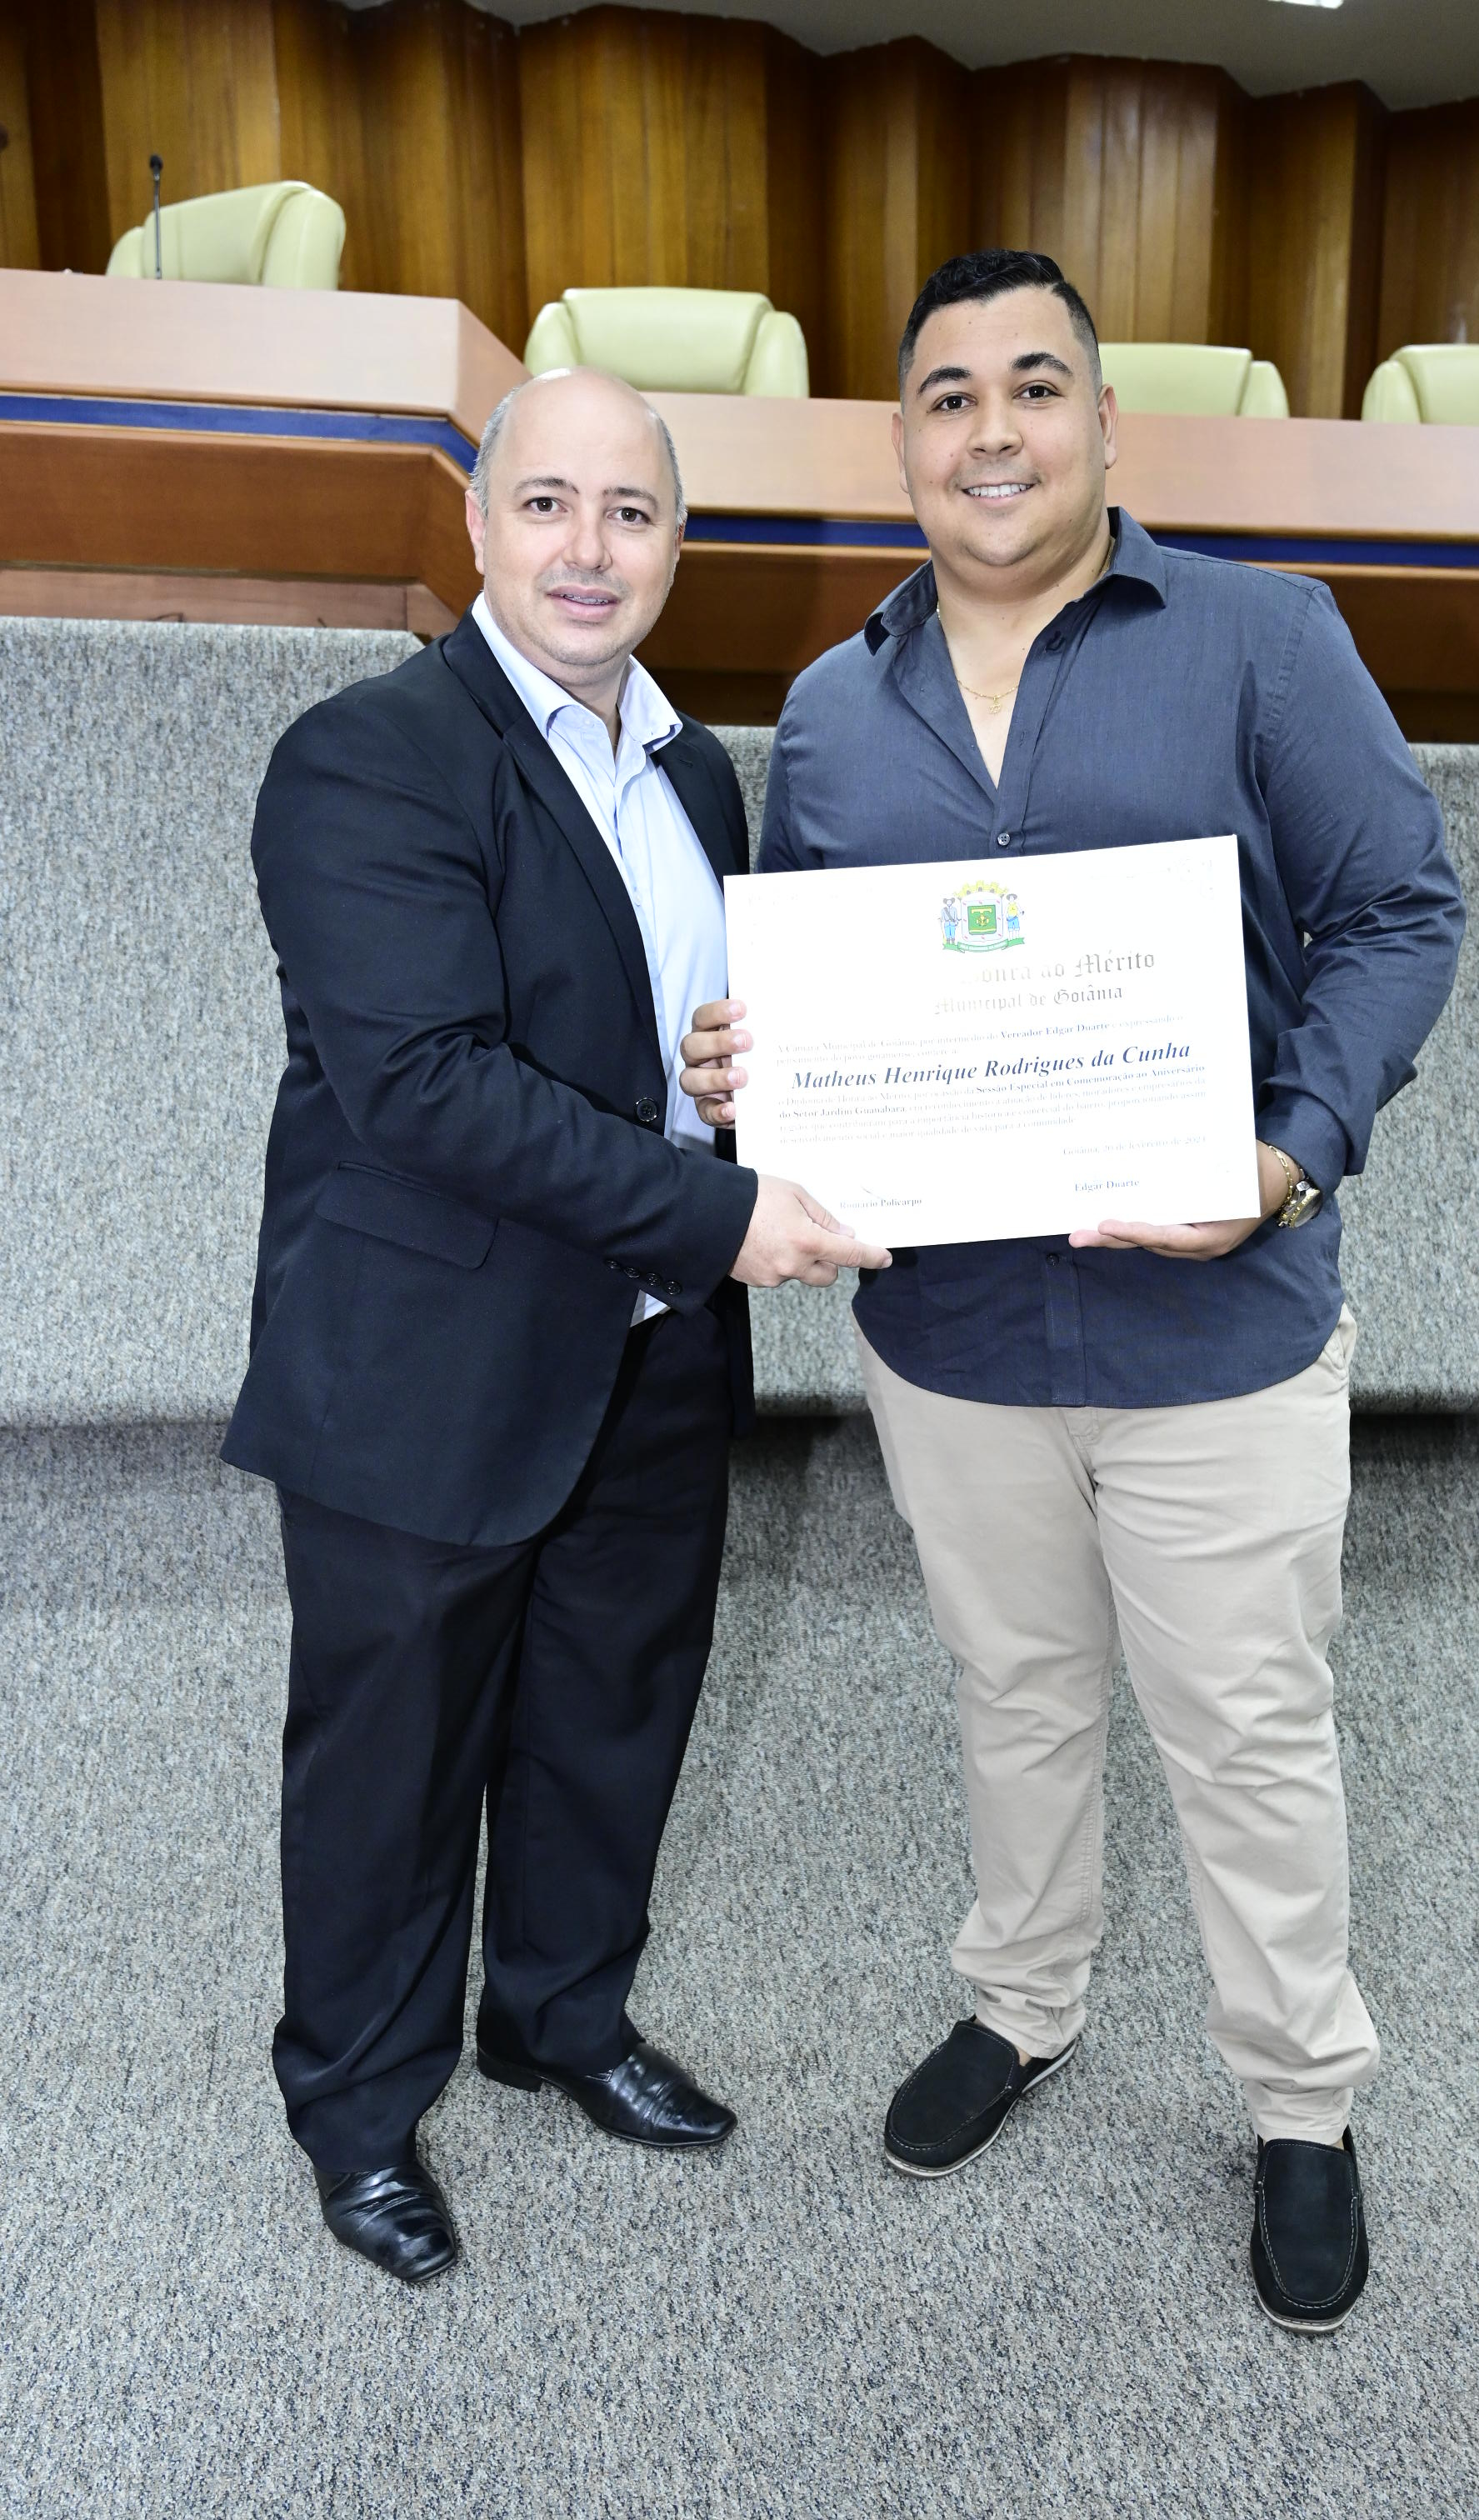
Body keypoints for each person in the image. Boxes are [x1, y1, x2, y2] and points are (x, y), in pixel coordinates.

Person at [681, 251, 1463, 2332]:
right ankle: (1023, 2001)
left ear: (1108, 424)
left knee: (1249, 1730)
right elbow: (804, 991)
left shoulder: (1265, 643)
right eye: (949, 396)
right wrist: (749, 1069)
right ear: (905, 444)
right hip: (952, 1341)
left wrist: (1286, 1152)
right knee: (1012, 1692)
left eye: (1036, 386)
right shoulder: (833, 709)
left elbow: (1401, 909)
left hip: (1219, 1335)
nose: (994, 429)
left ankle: (1300, 2099)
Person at [223, 368, 887, 2286]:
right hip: (427, 1367)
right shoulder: (366, 758)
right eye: (547, 505)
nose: (589, 549)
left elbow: (667, 1046)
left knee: (615, 1709)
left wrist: (746, 1089)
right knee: (396, 1758)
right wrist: (727, 1208)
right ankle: (359, 2110)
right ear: (477, 523)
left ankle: (561, 2015)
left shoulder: (696, 772)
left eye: (631, 511)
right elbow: (428, 1085)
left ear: (678, 543)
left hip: (655, 1343)